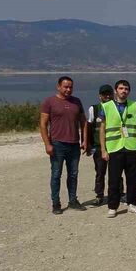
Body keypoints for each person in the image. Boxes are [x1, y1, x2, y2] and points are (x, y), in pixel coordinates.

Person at [40, 76, 88, 215]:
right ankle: (56, 203)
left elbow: (83, 122)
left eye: (70, 87)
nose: (68, 89)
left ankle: (73, 200)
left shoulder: (76, 102)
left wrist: (85, 140)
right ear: (58, 87)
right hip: (57, 144)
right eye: (65, 87)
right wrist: (47, 144)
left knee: (73, 174)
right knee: (56, 174)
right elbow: (43, 124)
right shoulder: (49, 101)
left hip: (74, 144)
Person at [99, 80, 136, 218]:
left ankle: (132, 204)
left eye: (126, 89)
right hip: (114, 148)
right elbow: (102, 129)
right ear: (115, 90)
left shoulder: (134, 105)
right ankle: (112, 206)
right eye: (121, 88)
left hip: (131, 147)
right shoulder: (106, 106)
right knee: (114, 180)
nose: (124, 91)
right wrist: (103, 150)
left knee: (133, 179)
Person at [87, 84, 113, 206]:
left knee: (116, 171)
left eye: (109, 94)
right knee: (100, 172)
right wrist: (87, 144)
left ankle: (118, 193)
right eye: (104, 94)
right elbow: (88, 127)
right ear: (100, 96)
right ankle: (99, 195)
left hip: (114, 145)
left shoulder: (116, 108)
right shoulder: (94, 109)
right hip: (98, 146)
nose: (107, 96)